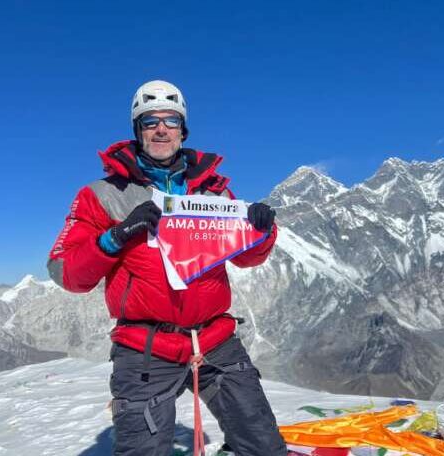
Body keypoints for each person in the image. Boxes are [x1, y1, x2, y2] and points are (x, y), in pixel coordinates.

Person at [47, 80, 287, 456]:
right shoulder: (101, 195)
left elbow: (245, 257)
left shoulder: (213, 193)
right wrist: (117, 235)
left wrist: (261, 232)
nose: (161, 129)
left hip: (215, 339)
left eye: (170, 120)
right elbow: (66, 273)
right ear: (137, 130)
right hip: (145, 348)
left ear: (183, 129)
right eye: (150, 121)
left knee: (264, 448)